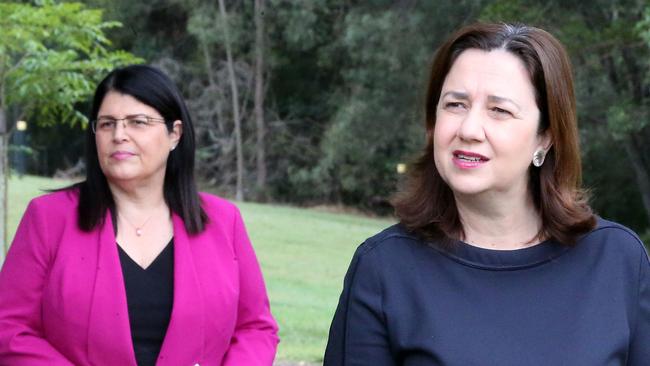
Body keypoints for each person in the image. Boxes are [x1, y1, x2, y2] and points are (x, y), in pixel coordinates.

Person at [324, 22, 649, 365]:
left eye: (499, 110)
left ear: (546, 137)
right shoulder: (384, 268)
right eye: (455, 104)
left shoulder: (618, 262)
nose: (468, 129)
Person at [0, 65, 279, 365]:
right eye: (107, 124)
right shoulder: (49, 218)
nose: (119, 135)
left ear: (175, 133)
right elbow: (9, 328)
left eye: (138, 122)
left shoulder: (224, 221)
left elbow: (256, 328)